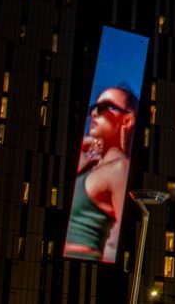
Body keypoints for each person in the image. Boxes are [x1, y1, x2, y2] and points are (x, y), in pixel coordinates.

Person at [63, 86, 137, 261]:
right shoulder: (90, 164)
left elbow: (119, 243)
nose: (94, 113)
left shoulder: (120, 170)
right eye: (92, 108)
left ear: (126, 121)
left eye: (104, 107)